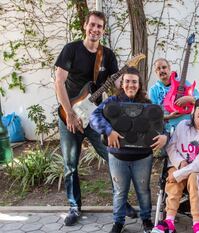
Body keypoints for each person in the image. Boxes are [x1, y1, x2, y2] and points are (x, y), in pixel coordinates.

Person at [54, 10, 136, 226]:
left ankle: (121, 202)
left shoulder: (107, 55)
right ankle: (74, 206)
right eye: (92, 25)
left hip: (94, 117)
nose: (95, 29)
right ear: (85, 25)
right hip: (69, 115)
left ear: (103, 30)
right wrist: (70, 114)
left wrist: (127, 82)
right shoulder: (71, 50)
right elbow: (59, 82)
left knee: (113, 157)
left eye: (99, 26)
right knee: (70, 165)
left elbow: (117, 86)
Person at [90, 67, 168, 233]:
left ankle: (147, 220)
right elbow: (93, 117)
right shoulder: (112, 102)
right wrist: (108, 130)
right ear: (122, 83)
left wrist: (165, 137)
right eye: (127, 81)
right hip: (118, 156)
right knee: (119, 192)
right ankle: (118, 223)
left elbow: (162, 125)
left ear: (139, 84)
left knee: (144, 191)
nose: (131, 85)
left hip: (142, 157)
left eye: (134, 82)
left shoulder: (148, 105)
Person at [151, 97, 199, 233]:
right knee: (174, 181)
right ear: (194, 110)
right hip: (179, 165)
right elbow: (171, 147)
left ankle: (198, 223)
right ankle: (169, 221)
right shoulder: (182, 125)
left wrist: (179, 174)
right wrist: (180, 163)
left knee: (193, 177)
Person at [149, 58, 199, 133]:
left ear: (169, 68)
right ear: (155, 72)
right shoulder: (153, 90)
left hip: (186, 128)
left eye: (164, 67)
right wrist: (169, 117)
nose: (161, 70)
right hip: (166, 131)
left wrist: (189, 99)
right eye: (158, 69)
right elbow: (152, 114)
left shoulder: (182, 83)